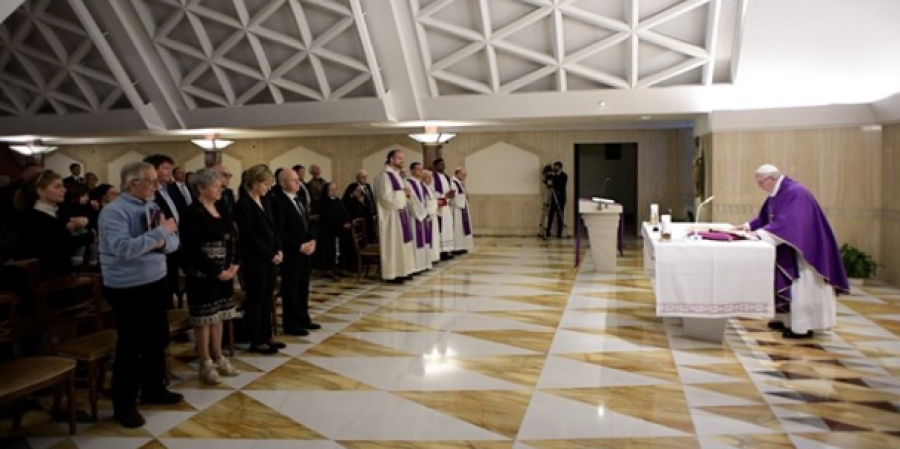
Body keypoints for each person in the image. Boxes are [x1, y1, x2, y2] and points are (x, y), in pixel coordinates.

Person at [98, 162, 182, 428]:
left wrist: (162, 240)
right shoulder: (114, 212)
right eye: (151, 181)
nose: (157, 185)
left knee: (157, 338)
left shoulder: (152, 205)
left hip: (156, 279)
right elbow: (123, 248)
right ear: (132, 183)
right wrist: (160, 235)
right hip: (128, 286)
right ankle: (124, 404)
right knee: (131, 345)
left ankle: (153, 389)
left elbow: (174, 241)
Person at [735, 164, 849, 339]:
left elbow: (790, 224)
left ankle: (803, 326)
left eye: (761, 183)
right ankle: (785, 320)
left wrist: (758, 234)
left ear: (771, 179)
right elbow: (768, 217)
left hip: (805, 251)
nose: (760, 186)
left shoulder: (796, 193)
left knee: (803, 287)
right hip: (790, 247)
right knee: (790, 284)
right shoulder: (778, 192)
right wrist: (747, 227)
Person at [180, 168, 242, 385]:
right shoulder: (191, 213)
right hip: (203, 276)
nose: (220, 190)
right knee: (205, 319)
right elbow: (191, 250)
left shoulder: (221, 208)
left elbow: (234, 236)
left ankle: (218, 355)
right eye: (215, 186)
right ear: (201, 188)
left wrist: (234, 264)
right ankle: (205, 362)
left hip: (225, 273)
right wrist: (216, 271)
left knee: (219, 316)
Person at [234, 165, 284, 354]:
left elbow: (273, 228)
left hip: (270, 258)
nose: (268, 188)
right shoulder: (243, 204)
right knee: (256, 299)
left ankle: (267, 335)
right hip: (255, 259)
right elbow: (249, 235)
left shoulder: (264, 200)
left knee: (266, 298)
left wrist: (279, 249)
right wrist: (270, 253)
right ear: (254, 183)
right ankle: (256, 339)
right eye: (266, 184)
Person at [13, 170, 93, 280]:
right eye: (57, 187)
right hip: (50, 279)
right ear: (41, 191)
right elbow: (59, 248)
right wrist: (90, 236)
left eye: (63, 186)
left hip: (60, 273)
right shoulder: (35, 218)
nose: (64, 190)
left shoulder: (56, 212)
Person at [270, 168, 320, 336]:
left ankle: (303, 318)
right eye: (293, 180)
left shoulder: (298, 198)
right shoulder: (279, 202)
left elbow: (306, 223)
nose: (298, 183)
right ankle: (291, 323)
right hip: (292, 252)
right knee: (291, 288)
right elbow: (279, 232)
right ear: (283, 183)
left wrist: (312, 240)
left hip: (306, 251)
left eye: (298, 179)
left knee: (303, 287)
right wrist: (298, 246)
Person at [144, 154, 183, 309]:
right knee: (162, 290)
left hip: (174, 242)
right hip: (159, 246)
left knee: (171, 283)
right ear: (153, 170)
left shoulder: (169, 190)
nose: (169, 172)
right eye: (165, 168)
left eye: (170, 168)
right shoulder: (149, 195)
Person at [374, 150, 415, 283]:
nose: (402, 160)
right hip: (391, 217)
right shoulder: (384, 176)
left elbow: (403, 193)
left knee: (402, 244)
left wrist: (406, 192)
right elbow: (385, 198)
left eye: (402, 158)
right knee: (393, 245)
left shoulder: (397, 175)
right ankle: (392, 274)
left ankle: (403, 271)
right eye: (399, 158)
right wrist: (403, 193)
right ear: (391, 160)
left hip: (400, 214)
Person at [317, 182, 351, 279]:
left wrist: (348, 221)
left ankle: (340, 268)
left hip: (340, 231)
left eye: (335, 189)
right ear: (327, 191)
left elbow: (345, 212)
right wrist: (341, 225)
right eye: (331, 189)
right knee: (330, 251)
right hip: (329, 231)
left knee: (340, 250)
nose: (334, 191)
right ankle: (330, 269)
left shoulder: (338, 200)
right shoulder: (324, 203)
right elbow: (329, 217)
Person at [407, 163, 432, 272]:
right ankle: (416, 266)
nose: (420, 172)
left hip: (422, 215)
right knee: (416, 240)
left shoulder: (421, 184)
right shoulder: (409, 183)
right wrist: (421, 213)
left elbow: (426, 199)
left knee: (424, 240)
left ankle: (424, 264)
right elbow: (413, 201)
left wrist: (427, 209)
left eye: (421, 169)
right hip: (414, 217)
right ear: (412, 170)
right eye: (418, 169)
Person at [431, 158, 456, 260]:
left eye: (444, 164)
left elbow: (449, 189)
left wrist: (450, 195)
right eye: (441, 164)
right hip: (439, 207)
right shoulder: (433, 177)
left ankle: (447, 250)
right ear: (435, 166)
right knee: (441, 229)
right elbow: (432, 192)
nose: (443, 166)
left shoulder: (446, 177)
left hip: (446, 206)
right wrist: (444, 196)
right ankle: (441, 251)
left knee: (447, 228)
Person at [342, 169, 377, 242]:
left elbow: (370, 200)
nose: (365, 179)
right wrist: (356, 198)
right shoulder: (352, 186)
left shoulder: (368, 186)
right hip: (357, 215)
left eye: (366, 177)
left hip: (368, 213)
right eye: (363, 177)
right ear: (358, 178)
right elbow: (346, 200)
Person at [451, 167, 474, 254]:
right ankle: (457, 247)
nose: (464, 177)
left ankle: (463, 246)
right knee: (458, 229)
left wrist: (464, 195)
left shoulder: (459, 183)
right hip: (457, 210)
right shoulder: (453, 183)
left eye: (465, 175)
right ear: (457, 173)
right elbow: (455, 198)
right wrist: (464, 195)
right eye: (463, 175)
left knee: (462, 228)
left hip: (462, 208)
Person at [422, 170, 441, 264]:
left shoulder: (428, 188)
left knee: (434, 237)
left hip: (433, 215)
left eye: (431, 178)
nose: (430, 180)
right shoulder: (423, 188)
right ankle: (430, 257)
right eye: (428, 177)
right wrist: (436, 202)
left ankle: (434, 256)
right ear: (423, 178)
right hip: (428, 215)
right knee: (431, 238)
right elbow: (426, 202)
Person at [545, 161, 567, 239]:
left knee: (560, 215)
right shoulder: (553, 175)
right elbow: (549, 184)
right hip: (553, 198)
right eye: (554, 167)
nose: (555, 169)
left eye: (556, 167)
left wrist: (554, 176)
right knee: (550, 214)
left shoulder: (564, 176)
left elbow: (560, 184)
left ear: (560, 167)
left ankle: (559, 233)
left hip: (560, 198)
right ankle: (548, 231)